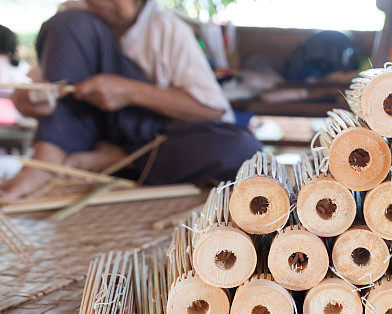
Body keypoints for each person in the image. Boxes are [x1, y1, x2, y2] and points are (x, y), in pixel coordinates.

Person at [0, 0, 261, 199]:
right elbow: (41, 93)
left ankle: (116, 160)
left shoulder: (166, 28)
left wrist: (130, 92)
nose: (100, 3)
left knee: (241, 146)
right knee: (70, 22)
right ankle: (45, 162)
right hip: (81, 138)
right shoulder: (74, 14)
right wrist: (30, 100)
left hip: (149, 147)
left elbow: (212, 111)